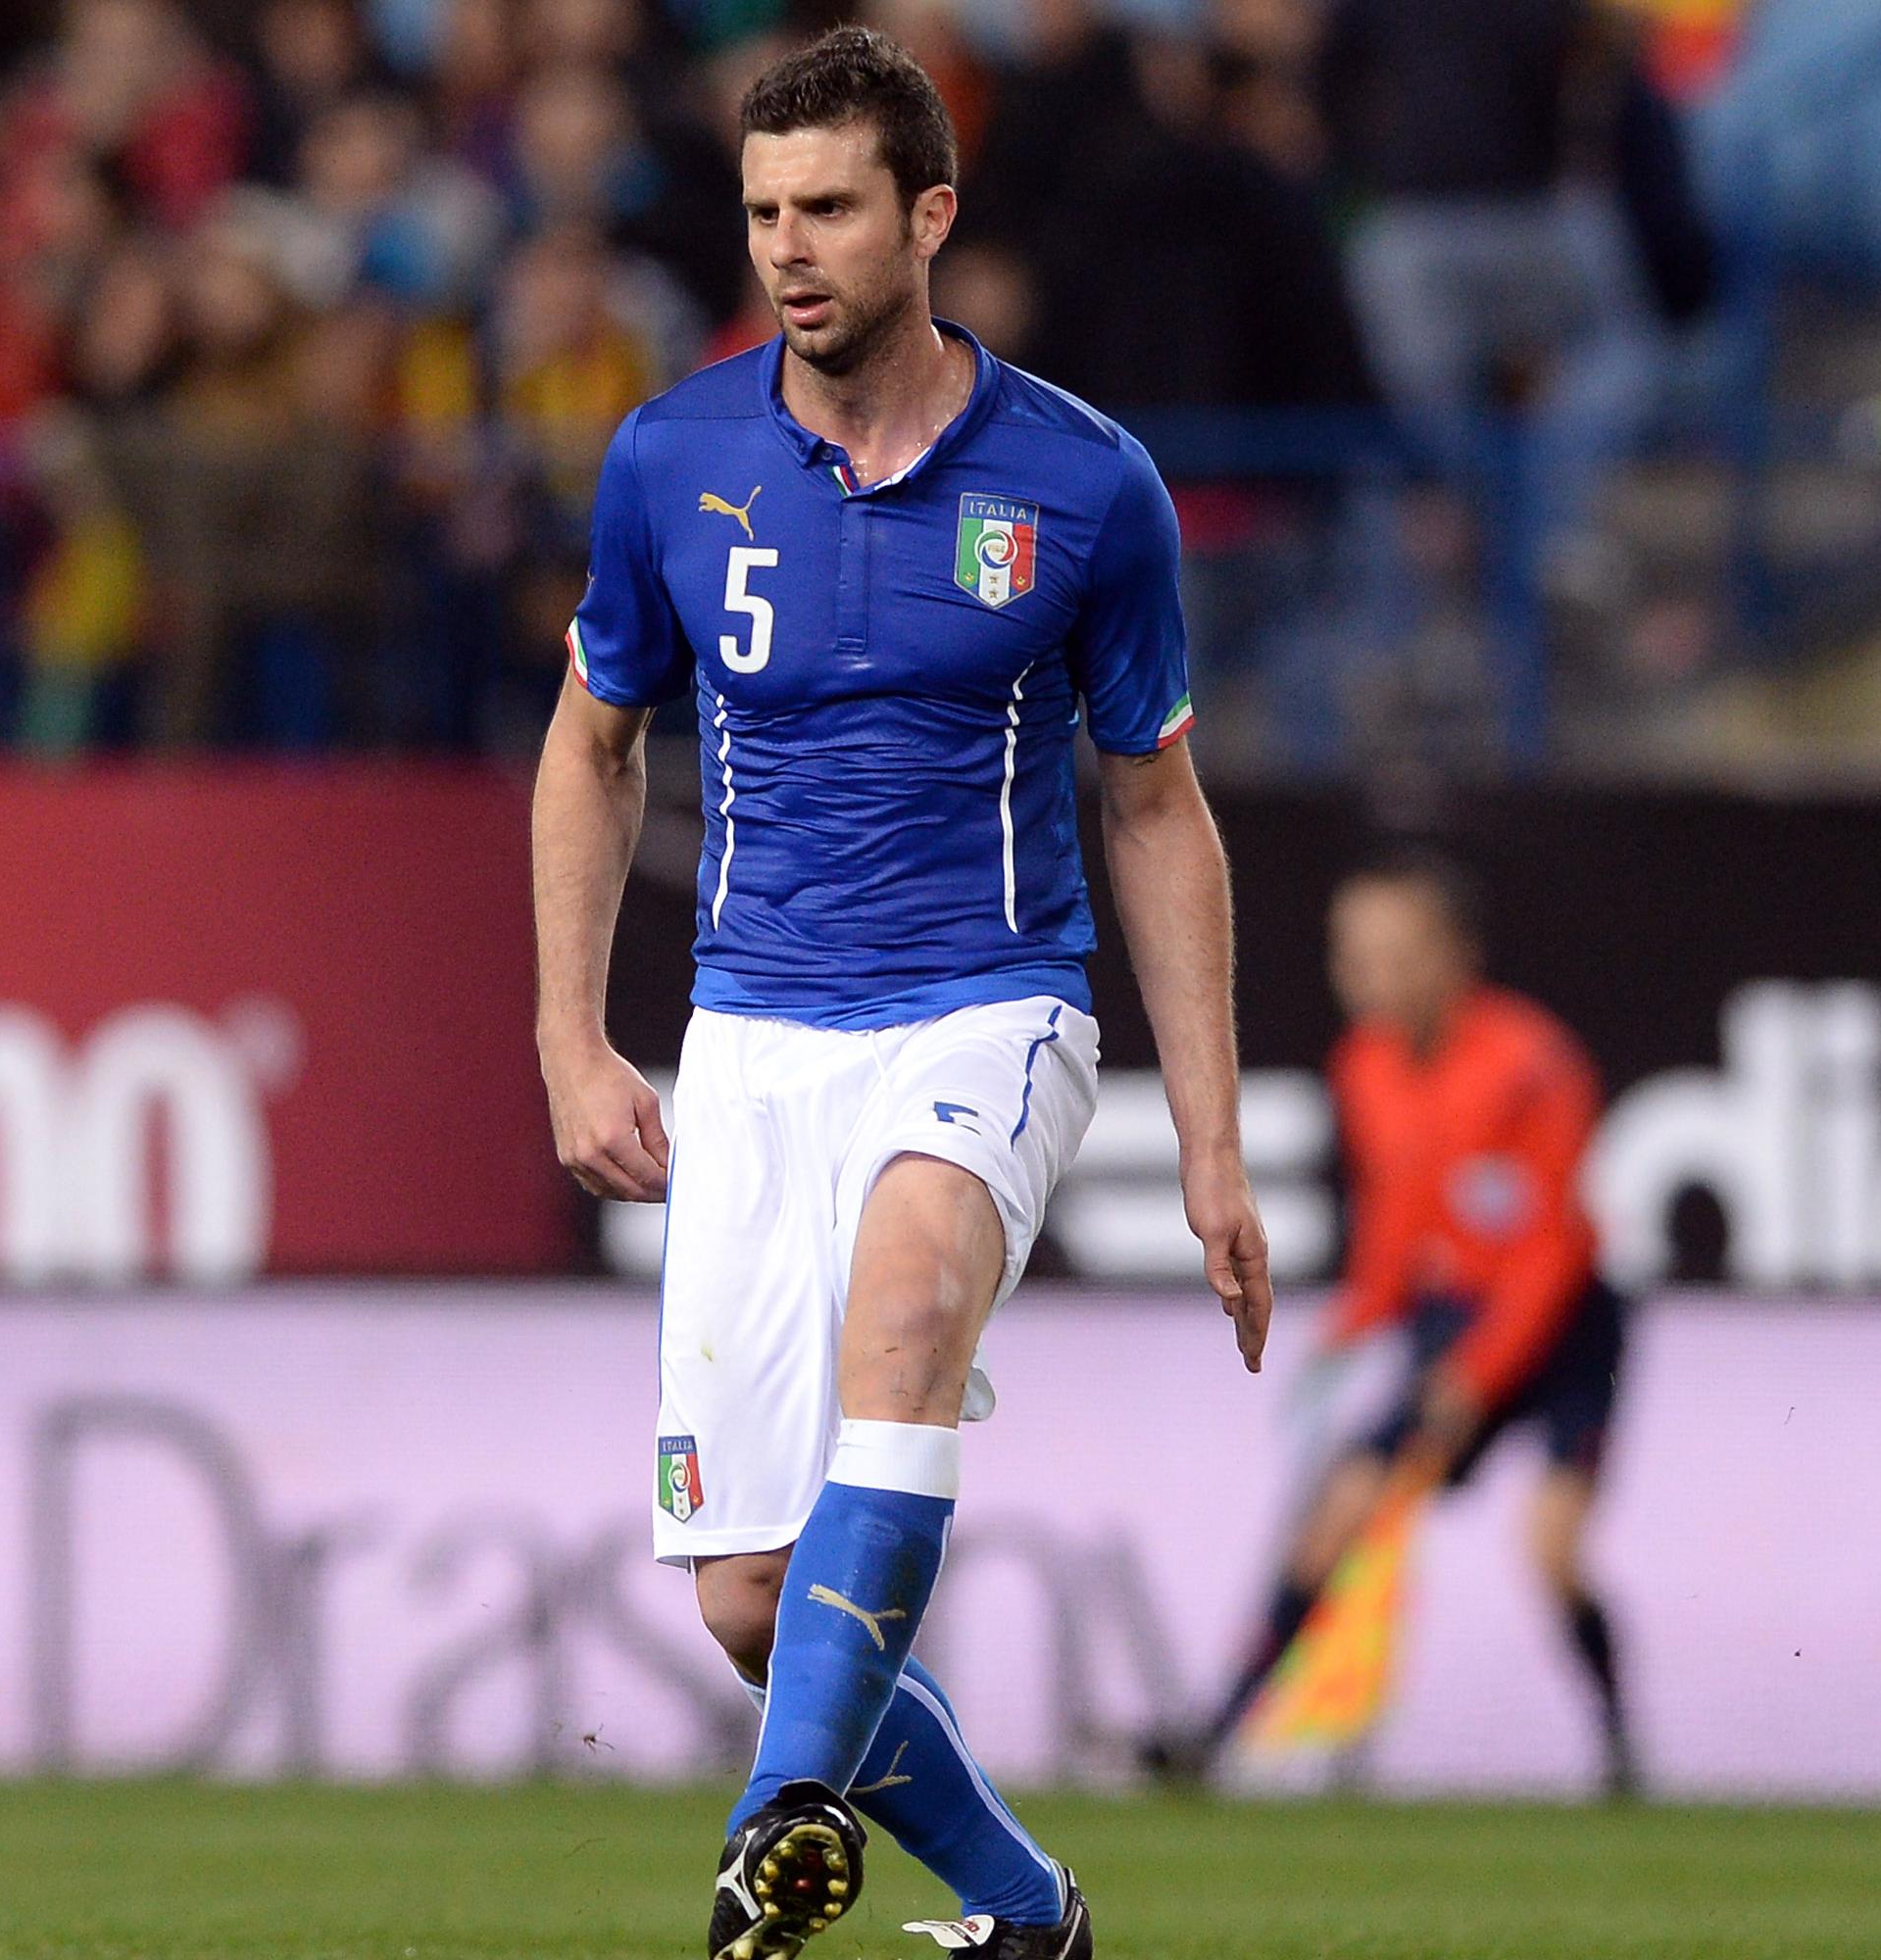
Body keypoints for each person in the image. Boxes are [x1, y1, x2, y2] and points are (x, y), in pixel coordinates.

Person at [528, 28, 1272, 1960]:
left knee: (914, 1302)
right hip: (754, 1037)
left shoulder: (1083, 484)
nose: (790, 245)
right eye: (765, 208)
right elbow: (592, 739)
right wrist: (566, 1026)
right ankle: (1029, 1914)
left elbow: (1158, 804)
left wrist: (1210, 1140)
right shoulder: (673, 458)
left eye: (832, 206)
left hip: (989, 1003)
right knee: (757, 1603)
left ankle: (774, 1832)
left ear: (928, 212)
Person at [1153, 852, 1635, 1793]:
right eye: (1356, 955)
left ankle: (1620, 1746)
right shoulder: (1363, 1066)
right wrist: (1351, 1328)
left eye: (1398, 953)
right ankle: (1216, 1736)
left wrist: (1473, 1376)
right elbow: (1396, 1225)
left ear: (1457, 954)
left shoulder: (1531, 1064)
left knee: (1554, 1550)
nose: (1373, 977)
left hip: (1564, 1329)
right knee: (1332, 1520)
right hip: (1449, 1321)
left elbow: (1550, 1251)